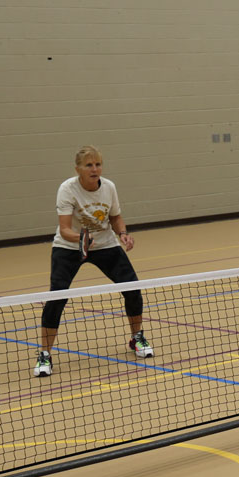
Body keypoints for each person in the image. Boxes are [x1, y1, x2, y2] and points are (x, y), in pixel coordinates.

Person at [34, 146, 150, 377]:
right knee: (56, 297)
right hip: (69, 246)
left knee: (132, 288)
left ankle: (136, 338)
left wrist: (123, 233)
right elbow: (65, 229)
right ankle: (44, 354)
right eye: (89, 165)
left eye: (97, 164)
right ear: (78, 169)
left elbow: (115, 216)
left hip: (105, 244)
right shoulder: (67, 189)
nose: (94, 169)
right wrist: (83, 239)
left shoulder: (109, 187)